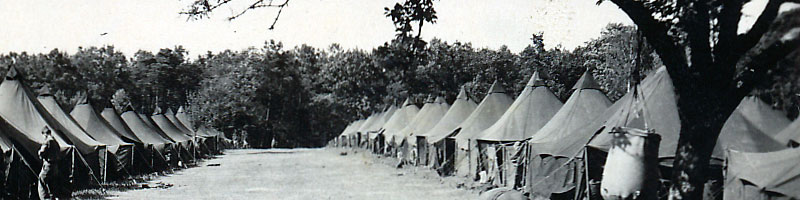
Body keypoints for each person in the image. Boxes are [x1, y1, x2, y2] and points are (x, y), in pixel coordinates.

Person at [38, 126, 59, 200]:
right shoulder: (55, 141)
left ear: (45, 134)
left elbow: (42, 153)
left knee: (42, 182)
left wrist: (40, 153)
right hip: (55, 166)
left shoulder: (47, 141)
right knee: (51, 184)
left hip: (48, 165)